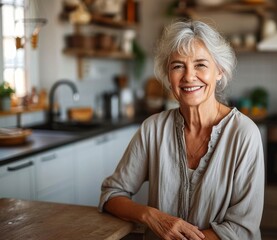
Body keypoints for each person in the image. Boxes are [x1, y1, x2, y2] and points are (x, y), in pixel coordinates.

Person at [99, 20, 264, 240]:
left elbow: (241, 229)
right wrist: (152, 216)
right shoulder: (153, 129)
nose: (188, 76)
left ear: (220, 71)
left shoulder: (244, 134)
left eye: (200, 65)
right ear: (169, 76)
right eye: (178, 66)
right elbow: (111, 195)